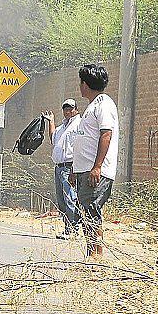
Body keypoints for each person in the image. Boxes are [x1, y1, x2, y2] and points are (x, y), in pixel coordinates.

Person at [70, 64, 119, 257]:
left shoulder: (104, 104)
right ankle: (91, 253)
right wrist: (76, 169)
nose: (80, 86)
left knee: (91, 212)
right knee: (86, 211)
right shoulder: (92, 106)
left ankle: (95, 257)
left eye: (81, 82)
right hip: (84, 170)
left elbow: (106, 135)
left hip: (96, 172)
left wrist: (97, 167)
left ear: (85, 84)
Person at [42, 99, 81, 240]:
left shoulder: (78, 125)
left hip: (70, 167)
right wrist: (51, 121)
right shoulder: (63, 127)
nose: (68, 111)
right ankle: (67, 228)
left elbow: (79, 147)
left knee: (71, 198)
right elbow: (53, 138)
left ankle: (74, 230)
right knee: (62, 200)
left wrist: (74, 170)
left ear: (76, 109)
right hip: (59, 167)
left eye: (70, 108)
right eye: (65, 109)